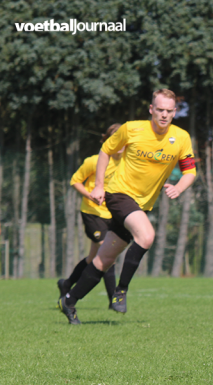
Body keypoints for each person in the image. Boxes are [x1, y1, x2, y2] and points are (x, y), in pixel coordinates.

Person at [57, 89, 197, 325]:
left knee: (104, 259)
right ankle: (120, 291)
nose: (164, 115)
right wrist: (99, 186)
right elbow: (105, 151)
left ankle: (69, 301)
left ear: (175, 112)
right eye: (160, 109)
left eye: (169, 111)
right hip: (118, 194)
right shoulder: (132, 128)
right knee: (147, 235)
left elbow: (190, 171)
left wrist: (179, 188)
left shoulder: (181, 137)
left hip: (143, 204)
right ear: (151, 109)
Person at [57, 123, 124, 308]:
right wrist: (91, 195)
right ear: (110, 141)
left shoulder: (128, 162)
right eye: (118, 138)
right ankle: (113, 300)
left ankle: (67, 284)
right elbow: (75, 181)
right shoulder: (94, 161)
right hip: (92, 213)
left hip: (114, 216)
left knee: (92, 259)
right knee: (107, 251)